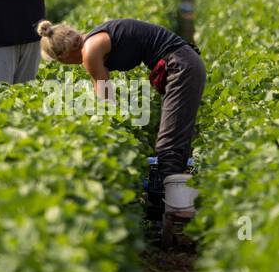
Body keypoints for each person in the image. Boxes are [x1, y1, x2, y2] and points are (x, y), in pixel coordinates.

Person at [36, 17, 206, 177]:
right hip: (183, 61)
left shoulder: (90, 51)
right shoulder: (93, 38)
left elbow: (104, 100)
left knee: (169, 146)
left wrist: (100, 128)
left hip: (181, 67)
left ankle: (172, 202)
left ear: (63, 57)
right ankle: (177, 190)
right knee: (174, 139)